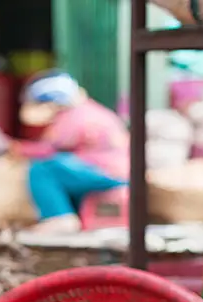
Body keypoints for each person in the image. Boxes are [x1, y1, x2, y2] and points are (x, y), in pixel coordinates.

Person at [10, 69, 130, 234]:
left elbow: (48, 150)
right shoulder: (94, 110)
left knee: (43, 168)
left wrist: (14, 148)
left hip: (105, 173)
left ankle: (58, 217)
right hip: (117, 174)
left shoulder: (75, 116)